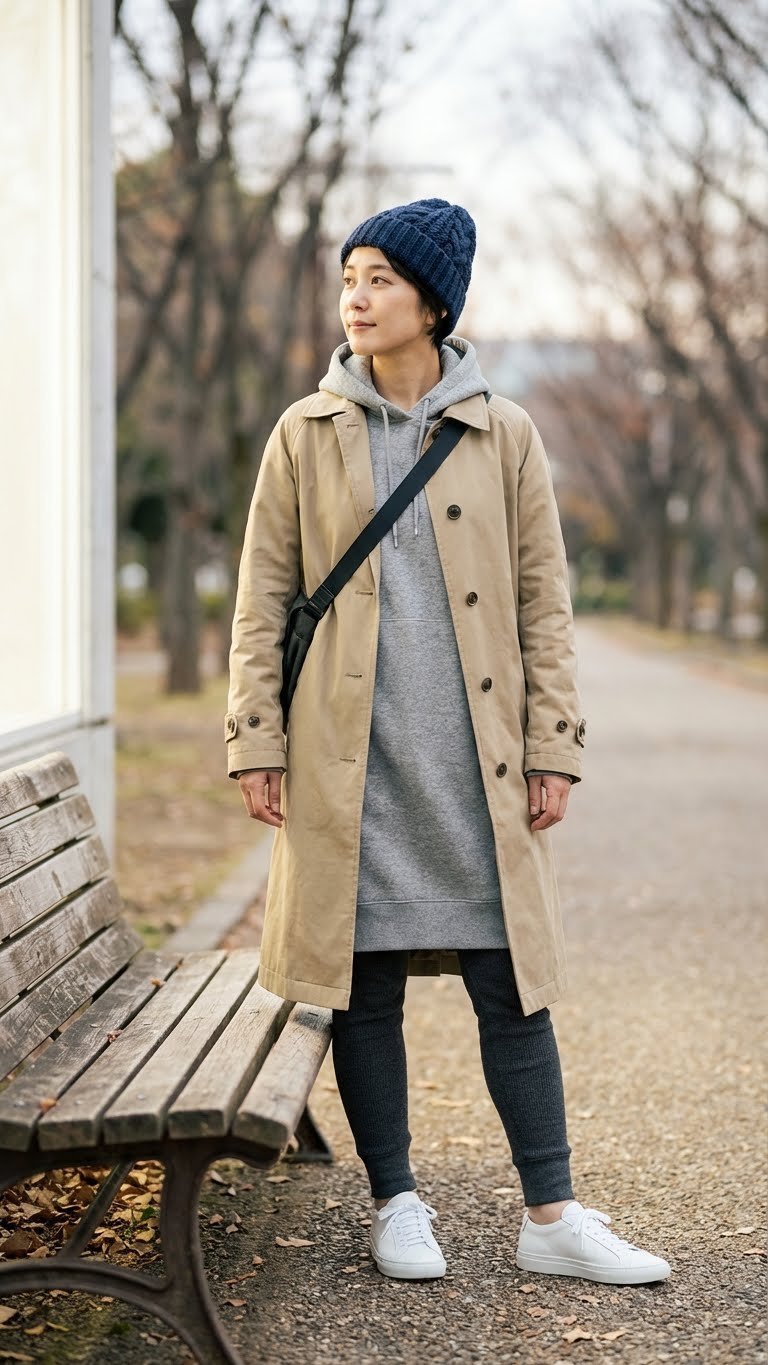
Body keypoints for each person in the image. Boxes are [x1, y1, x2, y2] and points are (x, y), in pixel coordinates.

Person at [226, 198, 671, 1286]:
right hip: (349, 760)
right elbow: (262, 597)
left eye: (379, 278)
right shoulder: (305, 431)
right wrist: (255, 738)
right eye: (350, 280)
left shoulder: (502, 431)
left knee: (511, 986)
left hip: (476, 764)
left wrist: (555, 743)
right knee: (362, 985)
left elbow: (543, 604)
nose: (357, 299)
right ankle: (396, 1201)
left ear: (434, 300)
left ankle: (552, 1213)